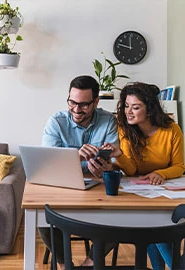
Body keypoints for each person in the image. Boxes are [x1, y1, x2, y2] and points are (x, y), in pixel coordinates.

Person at [102, 82, 185, 270]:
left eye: (135, 107)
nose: (128, 112)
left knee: (154, 226)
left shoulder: (172, 130)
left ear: (150, 109)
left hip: (166, 192)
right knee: (151, 224)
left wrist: (160, 173)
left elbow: (179, 166)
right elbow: (131, 170)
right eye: (126, 106)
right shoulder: (124, 130)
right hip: (140, 192)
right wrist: (119, 156)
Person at [40, 75, 119, 269]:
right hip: (64, 187)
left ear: (96, 101)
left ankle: (89, 263)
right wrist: (75, 155)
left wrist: (108, 168)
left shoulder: (109, 121)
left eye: (83, 105)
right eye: (72, 102)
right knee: (43, 217)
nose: (76, 109)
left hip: (98, 187)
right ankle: (64, 264)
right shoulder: (56, 122)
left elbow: (117, 160)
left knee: (121, 217)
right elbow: (47, 163)